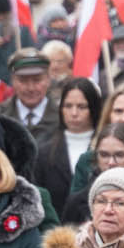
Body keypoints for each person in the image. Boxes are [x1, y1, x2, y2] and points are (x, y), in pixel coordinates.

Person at [30, 76, 101, 213]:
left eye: (82, 107)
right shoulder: (44, 151)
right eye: (68, 106)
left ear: (93, 108)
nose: (74, 113)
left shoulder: (106, 148)